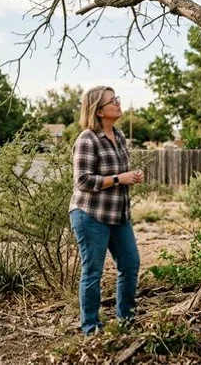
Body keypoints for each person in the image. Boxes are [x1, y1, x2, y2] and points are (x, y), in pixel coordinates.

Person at [69, 86, 144, 335]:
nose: (118, 103)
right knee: (93, 271)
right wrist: (118, 178)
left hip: (118, 214)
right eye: (114, 101)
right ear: (99, 111)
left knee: (131, 264)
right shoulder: (87, 139)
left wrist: (131, 176)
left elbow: (119, 173)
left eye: (117, 98)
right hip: (90, 215)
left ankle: (126, 321)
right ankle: (90, 328)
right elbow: (82, 181)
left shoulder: (119, 135)